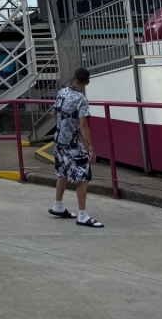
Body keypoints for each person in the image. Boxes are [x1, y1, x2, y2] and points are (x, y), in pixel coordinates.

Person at [49, 68, 102, 228]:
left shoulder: (62, 92)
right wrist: (91, 149)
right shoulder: (81, 99)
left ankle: (58, 205)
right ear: (87, 82)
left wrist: (63, 126)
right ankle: (83, 215)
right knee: (83, 176)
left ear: (73, 78)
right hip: (73, 143)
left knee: (62, 171)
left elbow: (53, 113)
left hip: (59, 139)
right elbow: (84, 126)